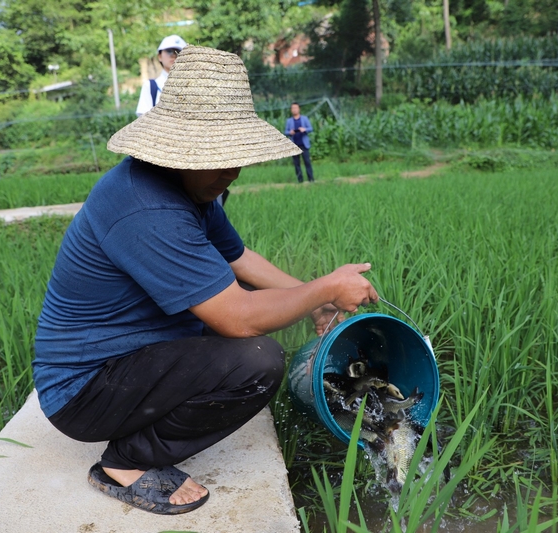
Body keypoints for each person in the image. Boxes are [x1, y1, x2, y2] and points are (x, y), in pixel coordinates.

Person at [32, 46, 378, 516]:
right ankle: (126, 462)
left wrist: (312, 299)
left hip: (137, 352)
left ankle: (140, 437)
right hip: (85, 386)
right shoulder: (146, 206)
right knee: (257, 360)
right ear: (179, 149)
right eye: (219, 158)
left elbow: (237, 258)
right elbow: (238, 319)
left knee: (256, 308)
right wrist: (323, 288)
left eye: (237, 158)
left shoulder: (190, 188)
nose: (231, 172)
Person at [135, 34, 187, 116]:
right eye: (169, 51)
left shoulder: (192, 85)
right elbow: (143, 120)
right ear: (159, 56)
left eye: (178, 52)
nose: (173, 55)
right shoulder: (150, 86)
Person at [284, 102, 315, 183]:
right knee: (296, 164)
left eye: (296, 108)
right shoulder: (289, 121)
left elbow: (310, 128)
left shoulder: (304, 119)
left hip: (304, 144)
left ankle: (311, 179)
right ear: (291, 110)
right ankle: (300, 180)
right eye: (293, 108)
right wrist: (290, 132)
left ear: (299, 109)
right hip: (294, 144)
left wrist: (304, 129)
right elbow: (286, 132)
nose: (294, 110)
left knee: (307, 162)